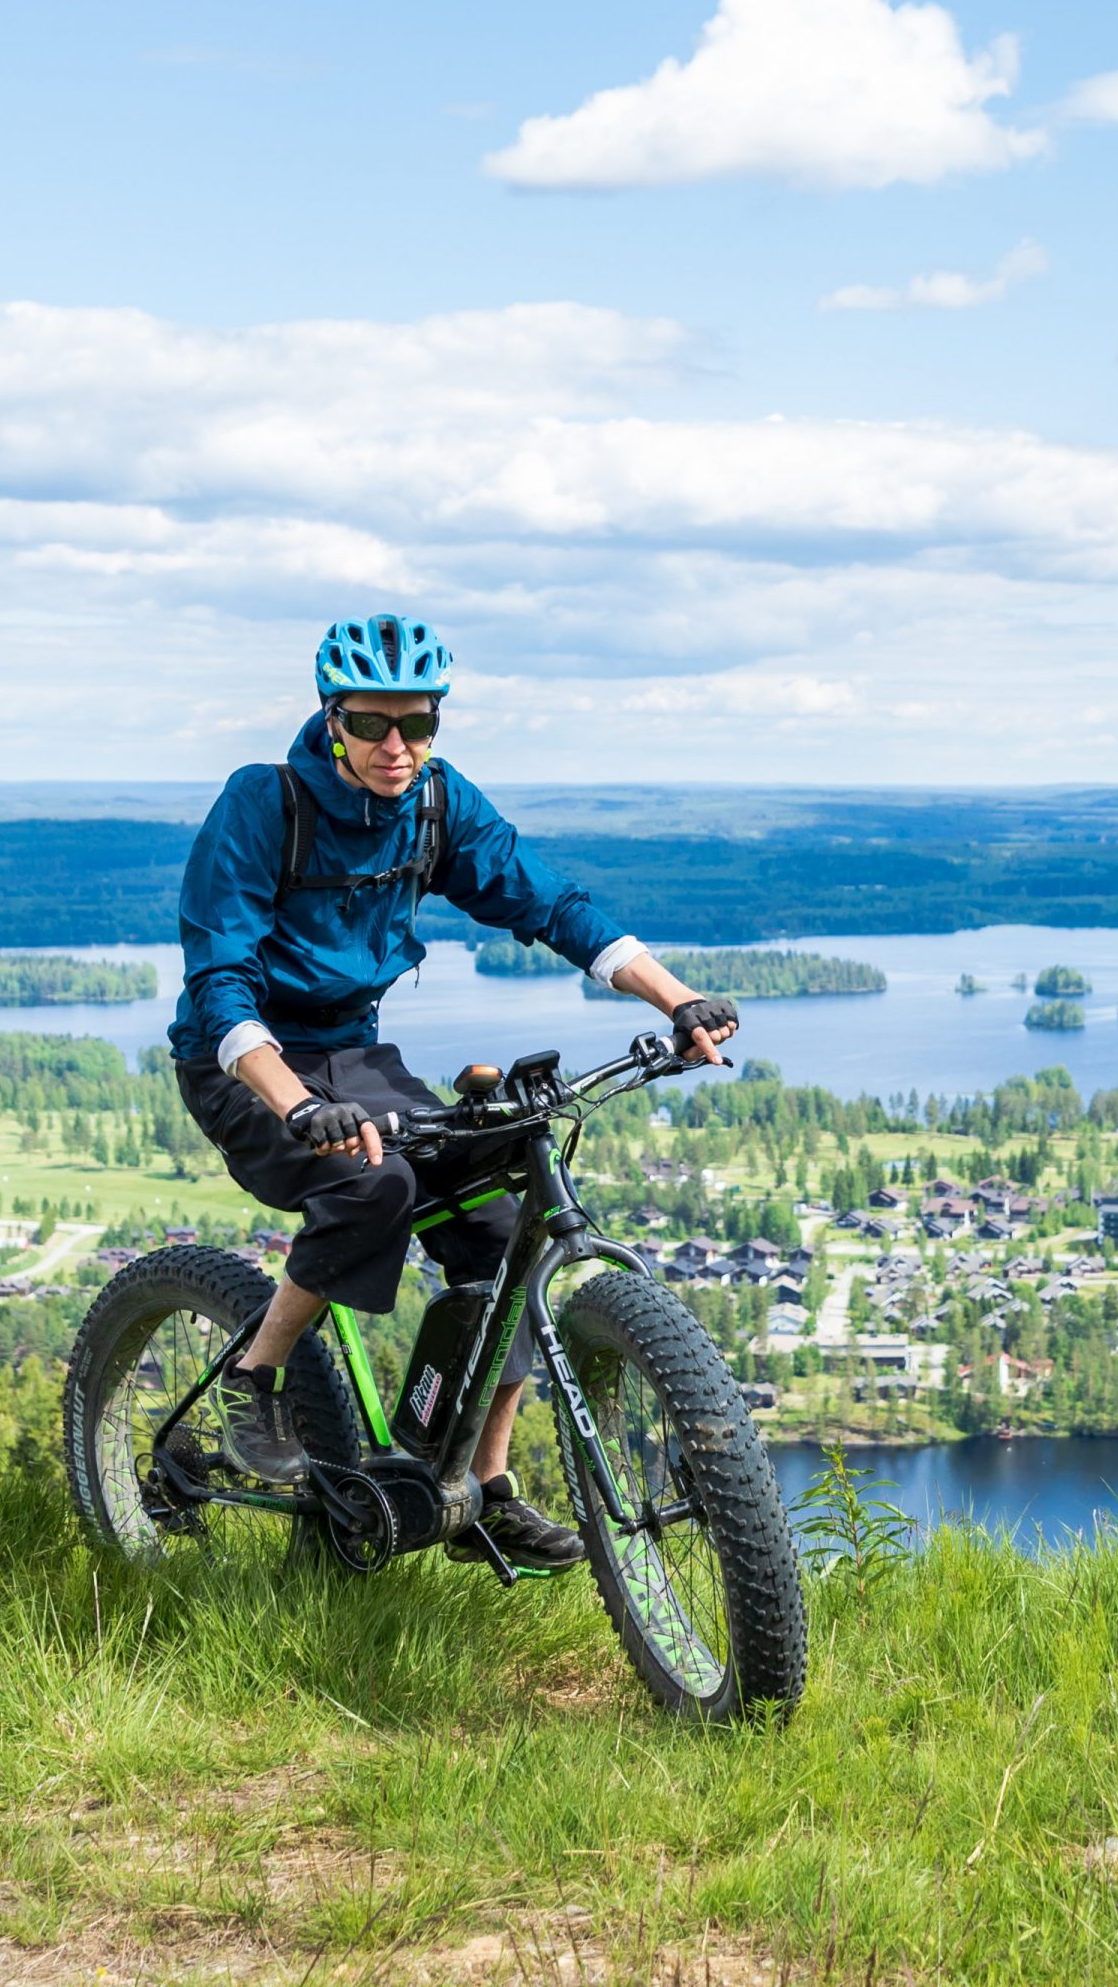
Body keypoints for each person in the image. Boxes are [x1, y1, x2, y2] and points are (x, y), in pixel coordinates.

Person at [167, 613, 736, 1569]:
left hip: (351, 1054)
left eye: (419, 725)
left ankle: (481, 1485)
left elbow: (548, 901)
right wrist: (298, 1105)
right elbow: (218, 986)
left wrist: (677, 999)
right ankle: (253, 1381)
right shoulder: (264, 805)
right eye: (372, 724)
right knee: (371, 1184)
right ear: (331, 718)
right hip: (246, 1062)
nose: (398, 747)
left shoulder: (436, 801)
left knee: (497, 1221)